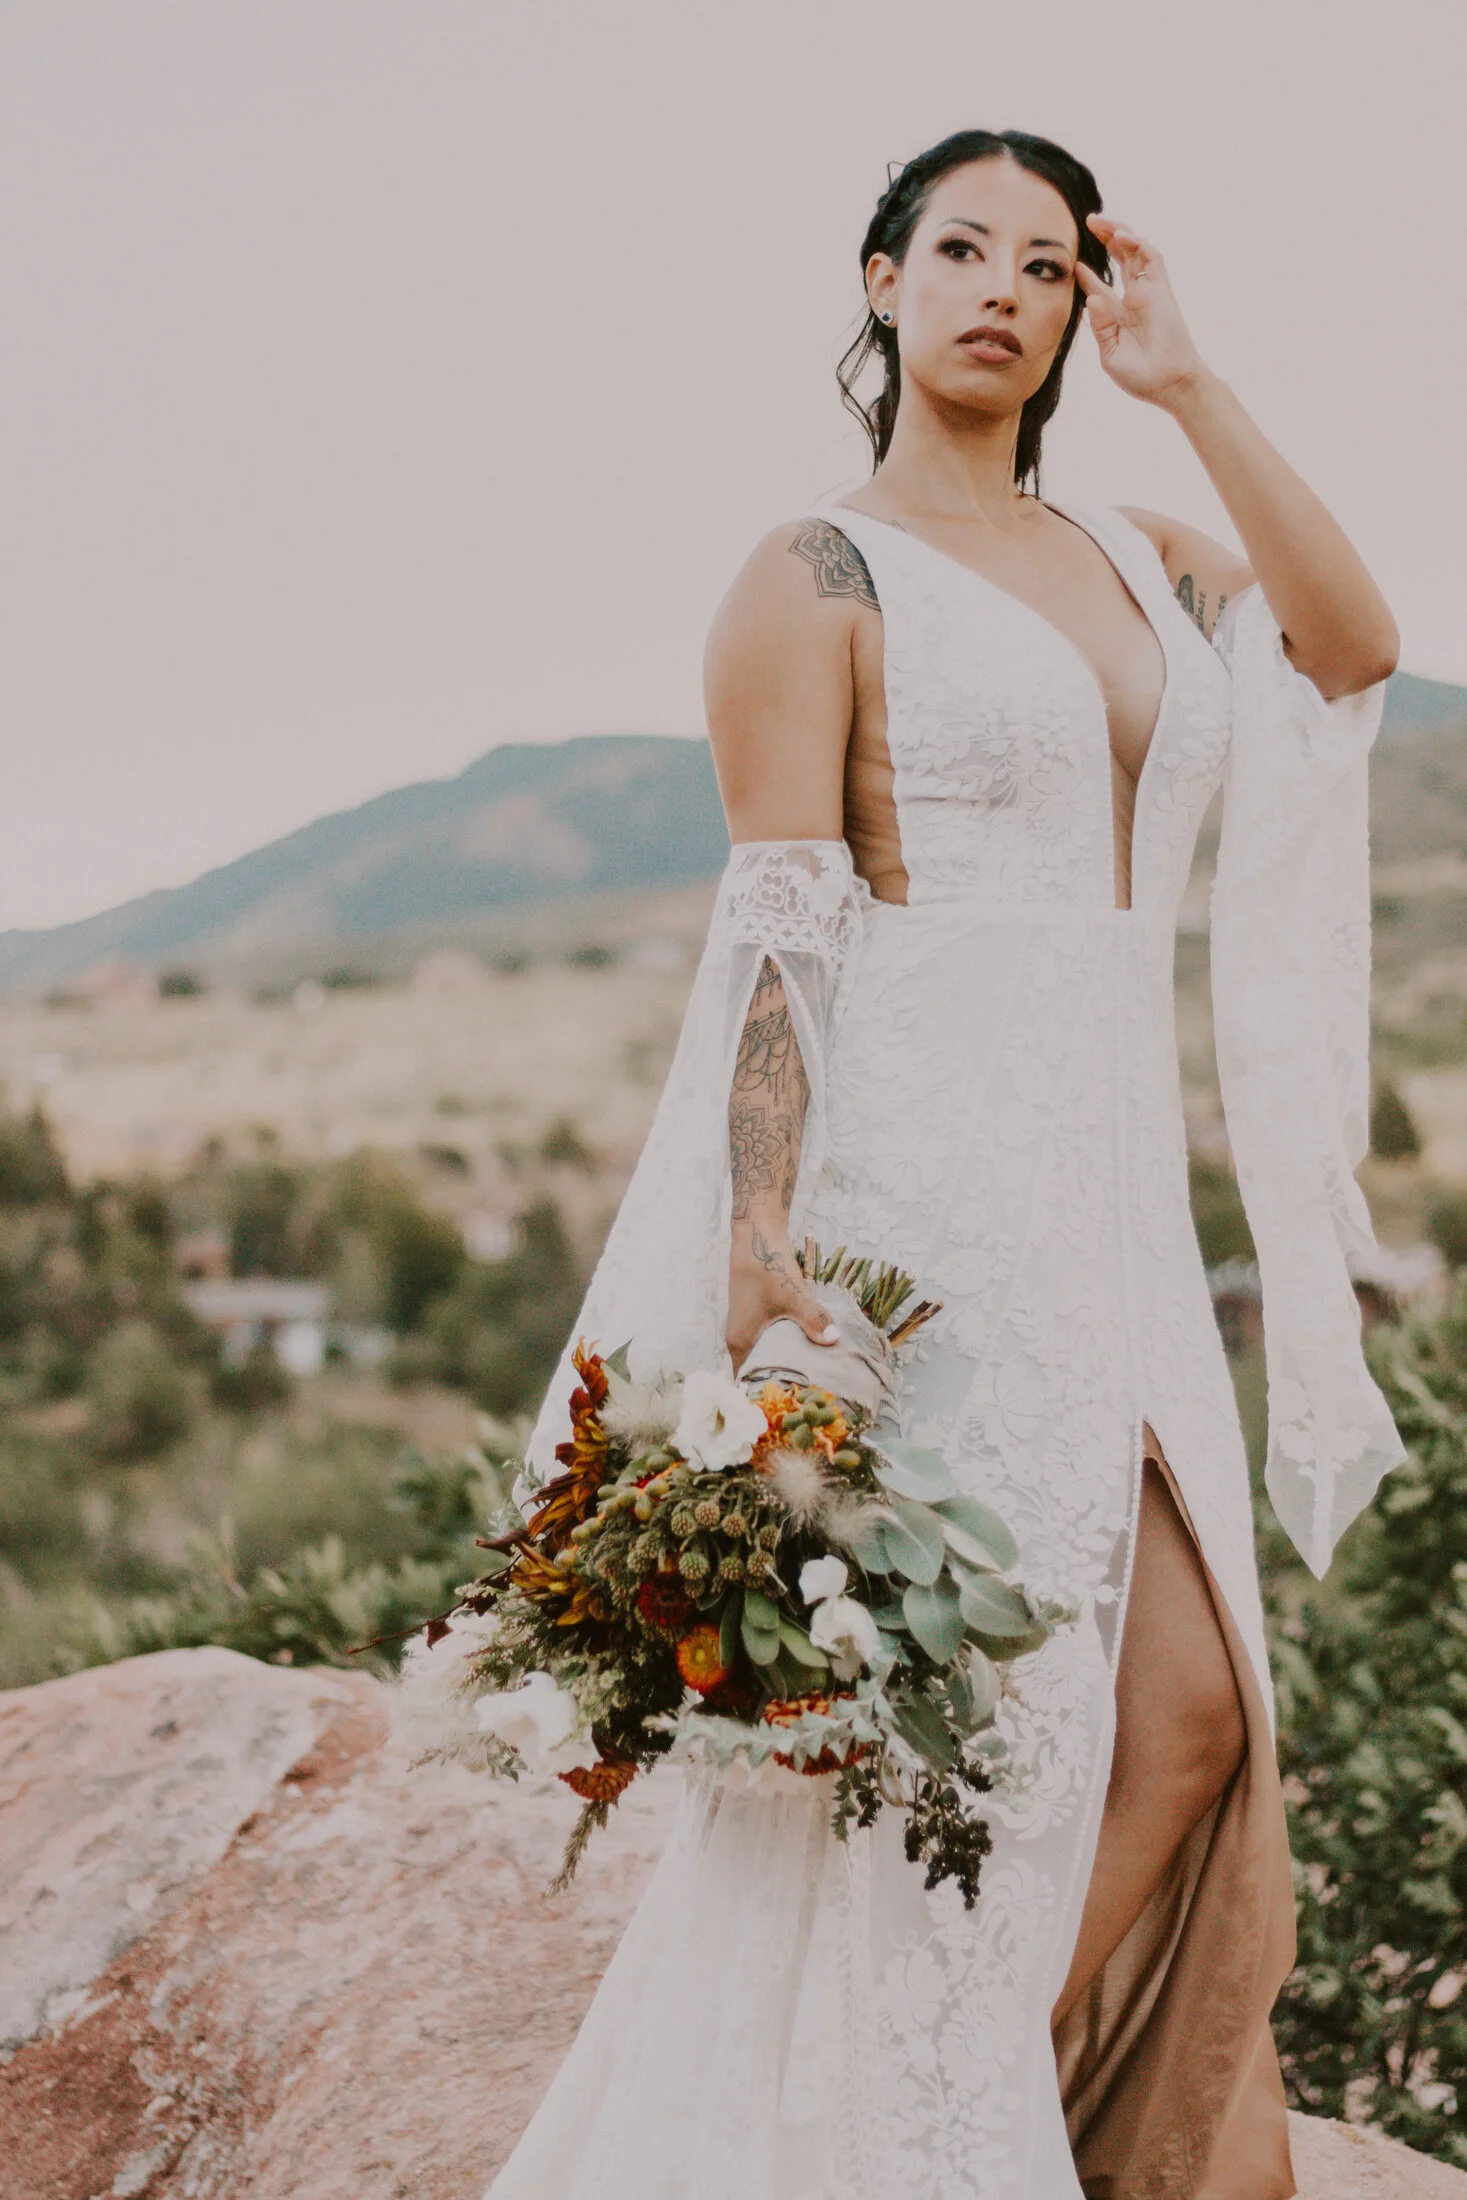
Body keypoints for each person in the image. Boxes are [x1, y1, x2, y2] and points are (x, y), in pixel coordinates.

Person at [488, 128, 1405, 2199]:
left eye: (1051, 261)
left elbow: (1348, 649)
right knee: (963, 1746)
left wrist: (1190, 377)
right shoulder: (808, 572)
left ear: (1085, 303)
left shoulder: (1146, 547)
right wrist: (753, 1241)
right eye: (961, 248)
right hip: (921, 1225)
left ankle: (916, 2127)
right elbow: (782, 930)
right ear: (882, 280)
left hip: (1114, 1213)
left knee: (1187, 1711)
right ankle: (915, 2142)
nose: (1004, 284)